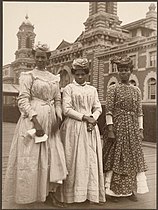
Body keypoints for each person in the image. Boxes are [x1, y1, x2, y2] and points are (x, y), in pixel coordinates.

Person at [3, 44, 67, 207]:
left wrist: (58, 119)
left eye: (43, 56)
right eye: (37, 56)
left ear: (48, 57)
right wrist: (35, 120)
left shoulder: (54, 78)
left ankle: (50, 192)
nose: (40, 59)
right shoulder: (28, 76)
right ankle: (28, 194)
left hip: (51, 119)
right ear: (34, 56)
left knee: (52, 157)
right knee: (31, 158)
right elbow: (23, 99)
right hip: (33, 120)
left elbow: (58, 100)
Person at [103, 56, 149, 202]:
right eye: (121, 70)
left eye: (126, 70)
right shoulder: (113, 89)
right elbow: (109, 110)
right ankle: (111, 191)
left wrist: (140, 130)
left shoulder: (136, 90)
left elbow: (139, 111)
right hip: (117, 126)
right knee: (116, 157)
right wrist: (110, 129)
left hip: (132, 127)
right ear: (118, 73)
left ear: (130, 71)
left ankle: (130, 190)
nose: (123, 73)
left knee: (132, 157)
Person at [60, 58, 106, 205]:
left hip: (90, 128)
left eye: (83, 74)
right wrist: (84, 117)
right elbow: (66, 109)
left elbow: (98, 107)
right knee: (73, 159)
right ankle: (72, 195)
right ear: (74, 74)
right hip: (74, 127)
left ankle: (88, 193)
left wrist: (93, 118)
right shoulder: (68, 89)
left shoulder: (92, 89)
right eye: (77, 74)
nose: (80, 77)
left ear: (87, 74)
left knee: (89, 159)